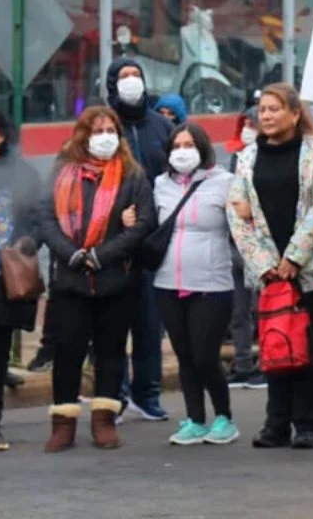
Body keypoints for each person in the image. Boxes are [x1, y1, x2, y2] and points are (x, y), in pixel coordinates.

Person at [39, 106, 156, 452]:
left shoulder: (132, 175)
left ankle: (104, 420)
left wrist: (100, 256)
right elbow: (45, 217)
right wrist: (72, 254)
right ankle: (63, 424)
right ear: (83, 135)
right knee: (67, 352)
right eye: (97, 130)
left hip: (115, 280)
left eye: (110, 130)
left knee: (111, 352)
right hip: (71, 281)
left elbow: (144, 223)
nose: (105, 137)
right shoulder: (62, 172)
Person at [227, 82, 313, 450]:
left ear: (294, 113)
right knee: (274, 344)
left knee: (303, 344)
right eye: (263, 109)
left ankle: (307, 424)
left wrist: (293, 257)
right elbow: (238, 213)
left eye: (275, 108)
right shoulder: (246, 158)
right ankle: (276, 423)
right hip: (267, 273)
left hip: (305, 270)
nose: (267, 115)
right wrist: (265, 264)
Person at [153, 124, 240, 446]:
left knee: (205, 355)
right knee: (185, 355)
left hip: (211, 283)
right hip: (167, 283)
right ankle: (195, 419)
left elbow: (244, 227)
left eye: (189, 144)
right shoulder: (160, 185)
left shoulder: (225, 183)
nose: (182, 151)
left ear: (202, 147)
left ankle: (224, 417)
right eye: (176, 145)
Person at [106, 57, 174, 423]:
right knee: (113, 324)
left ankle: (147, 394)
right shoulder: (102, 128)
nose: (131, 82)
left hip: (152, 242)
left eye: (137, 75)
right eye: (124, 76)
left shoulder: (162, 127)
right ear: (112, 83)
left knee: (149, 324)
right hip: (112, 244)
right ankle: (113, 397)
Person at [0, 107, 42, 452]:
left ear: (0, 134)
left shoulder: (20, 173)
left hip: (1, 279)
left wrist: (28, 241)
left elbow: (37, 215)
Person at [223, 107, 264, 389]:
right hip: (236, 244)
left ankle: (268, 364)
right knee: (239, 310)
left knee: (262, 308)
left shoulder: (269, 158)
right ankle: (243, 364)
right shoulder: (236, 158)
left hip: (261, 246)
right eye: (245, 123)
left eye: (254, 124)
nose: (248, 128)